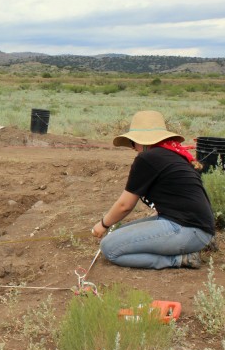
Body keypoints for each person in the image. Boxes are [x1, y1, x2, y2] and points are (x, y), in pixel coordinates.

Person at [91, 110, 215, 269]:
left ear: (142, 141)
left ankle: (180, 259)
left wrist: (103, 224)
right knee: (120, 233)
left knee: (110, 248)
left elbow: (125, 205)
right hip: (195, 228)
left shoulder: (147, 159)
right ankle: (187, 248)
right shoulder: (172, 155)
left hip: (188, 230)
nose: (132, 147)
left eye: (133, 142)